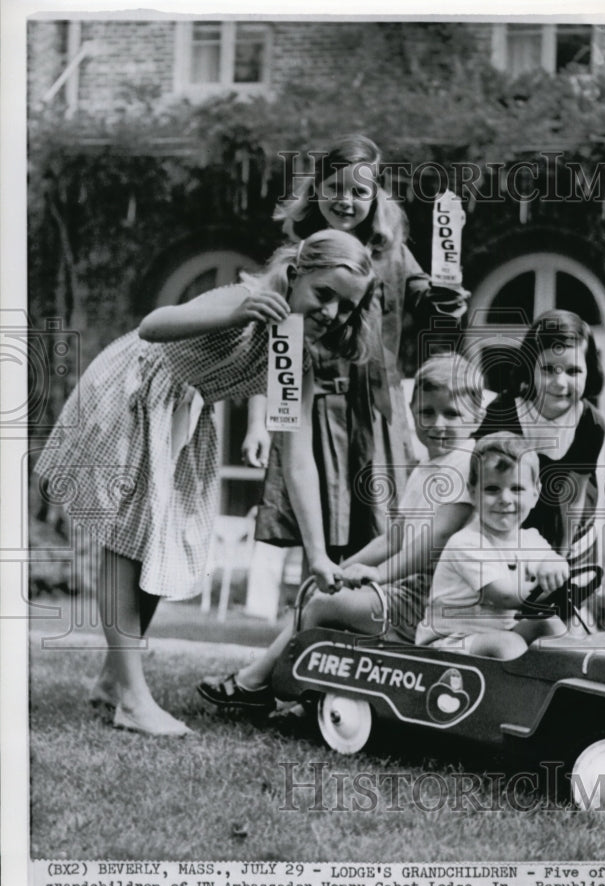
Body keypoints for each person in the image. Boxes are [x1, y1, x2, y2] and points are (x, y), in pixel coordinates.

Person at [34, 229, 377, 736]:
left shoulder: (297, 354)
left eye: (346, 307)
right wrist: (239, 312)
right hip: (138, 391)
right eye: (324, 294)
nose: (331, 312)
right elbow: (153, 326)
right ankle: (130, 696)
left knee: (158, 545)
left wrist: (319, 552)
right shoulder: (245, 297)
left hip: (184, 415)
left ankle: (113, 680)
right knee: (126, 543)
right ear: (298, 271)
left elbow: (298, 456)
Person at [197, 352, 484, 710]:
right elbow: (396, 537)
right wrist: (344, 569)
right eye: (427, 413)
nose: (437, 424)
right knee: (321, 596)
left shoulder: (467, 464)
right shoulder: (426, 468)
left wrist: (377, 575)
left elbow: (435, 541)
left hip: (432, 602)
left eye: (451, 414)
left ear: (477, 417)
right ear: (412, 413)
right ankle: (302, 690)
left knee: (321, 606)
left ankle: (258, 684)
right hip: (408, 590)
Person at [243, 134, 469, 557]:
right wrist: (260, 419)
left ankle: (365, 615)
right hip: (315, 407)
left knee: (381, 531)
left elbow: (429, 303)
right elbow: (273, 344)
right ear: (317, 191)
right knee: (320, 534)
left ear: (375, 197)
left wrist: (447, 293)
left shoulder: (393, 255)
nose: (345, 201)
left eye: (359, 191)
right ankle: (316, 612)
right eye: (334, 188)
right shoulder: (301, 257)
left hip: (377, 412)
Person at [473, 309, 605, 573]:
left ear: (589, 371)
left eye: (573, 371)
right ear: (530, 367)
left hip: (567, 514)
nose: (560, 382)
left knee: (561, 588)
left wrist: (561, 557)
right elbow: (481, 485)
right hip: (511, 507)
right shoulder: (504, 413)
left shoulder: (591, 423)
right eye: (548, 369)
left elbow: (575, 495)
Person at [415, 434, 570, 659]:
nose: (505, 498)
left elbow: (551, 561)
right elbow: (504, 597)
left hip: (495, 634)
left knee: (550, 626)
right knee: (509, 645)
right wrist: (550, 588)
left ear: (535, 494)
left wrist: (555, 567)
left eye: (517, 489)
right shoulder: (467, 543)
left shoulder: (529, 539)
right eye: (492, 489)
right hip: (447, 642)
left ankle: (561, 687)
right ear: (473, 493)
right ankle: (520, 693)